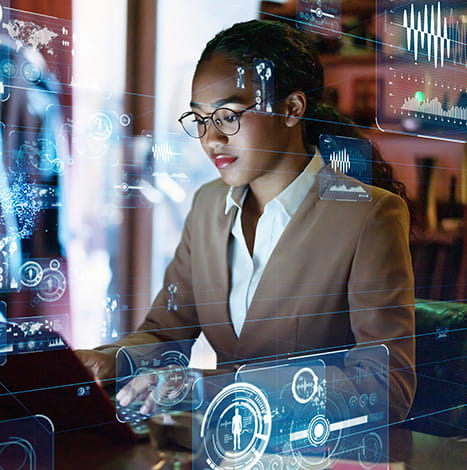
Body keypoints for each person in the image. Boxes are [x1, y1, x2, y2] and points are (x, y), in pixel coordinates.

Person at [77, 20, 415, 423]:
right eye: (200, 119)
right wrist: (104, 361)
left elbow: (384, 387)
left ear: (291, 109)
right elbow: (166, 332)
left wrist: (210, 388)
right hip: (222, 451)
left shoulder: (368, 216)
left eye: (229, 116)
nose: (211, 139)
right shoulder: (208, 206)